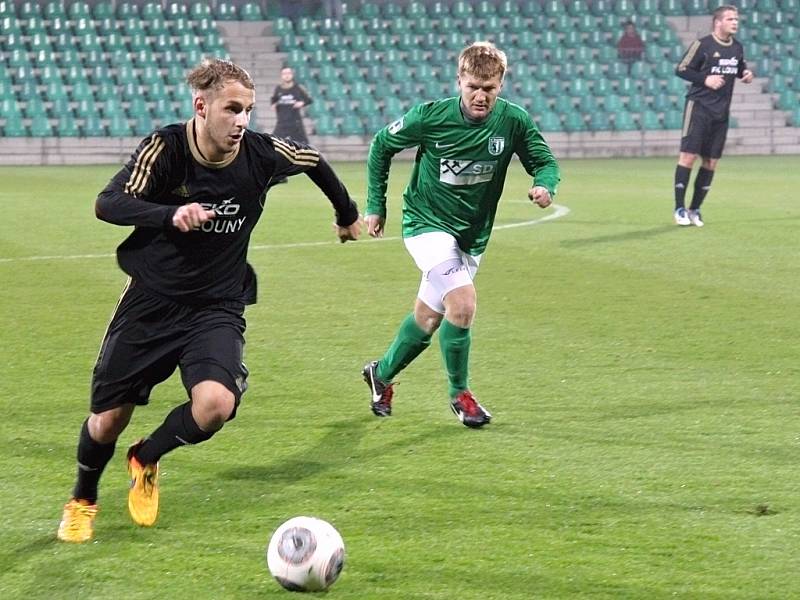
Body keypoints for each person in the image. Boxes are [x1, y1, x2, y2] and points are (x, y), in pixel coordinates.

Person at [57, 58, 362, 543]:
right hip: (152, 300)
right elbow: (108, 203)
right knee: (108, 419)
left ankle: (147, 456)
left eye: (248, 110)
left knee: (216, 404)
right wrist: (169, 214)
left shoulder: (261, 154)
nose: (242, 121)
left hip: (216, 305)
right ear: (202, 106)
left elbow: (313, 161)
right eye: (232, 109)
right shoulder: (166, 148)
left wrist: (347, 214)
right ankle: (83, 499)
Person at [361, 42, 560, 428]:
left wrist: (545, 184)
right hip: (425, 224)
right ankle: (460, 395)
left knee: (428, 318)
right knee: (464, 304)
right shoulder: (430, 117)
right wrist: (375, 205)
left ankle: (380, 374)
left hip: (471, 234)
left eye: (489, 87)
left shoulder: (513, 121)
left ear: (501, 84)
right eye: (472, 86)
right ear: (459, 82)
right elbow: (381, 145)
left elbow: (544, 160)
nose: (480, 95)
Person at [672, 5, 753, 227]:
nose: (735, 22)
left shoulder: (737, 47)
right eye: (730, 19)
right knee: (688, 156)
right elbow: (681, 69)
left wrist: (745, 74)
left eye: (736, 19)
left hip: (721, 113)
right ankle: (679, 208)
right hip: (698, 108)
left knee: (711, 162)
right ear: (718, 22)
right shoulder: (703, 44)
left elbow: (739, 68)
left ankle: (695, 209)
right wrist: (705, 79)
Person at [270, 66, 314, 183]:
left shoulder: (298, 88)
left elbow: (309, 99)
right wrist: (274, 105)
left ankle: (314, 171)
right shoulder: (278, 89)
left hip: (295, 123)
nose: (287, 75)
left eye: (289, 73)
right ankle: (280, 175)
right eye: (284, 73)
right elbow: (273, 100)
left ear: (292, 75)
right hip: (282, 123)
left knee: (305, 147)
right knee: (274, 146)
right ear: (281, 75)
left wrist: (302, 103)